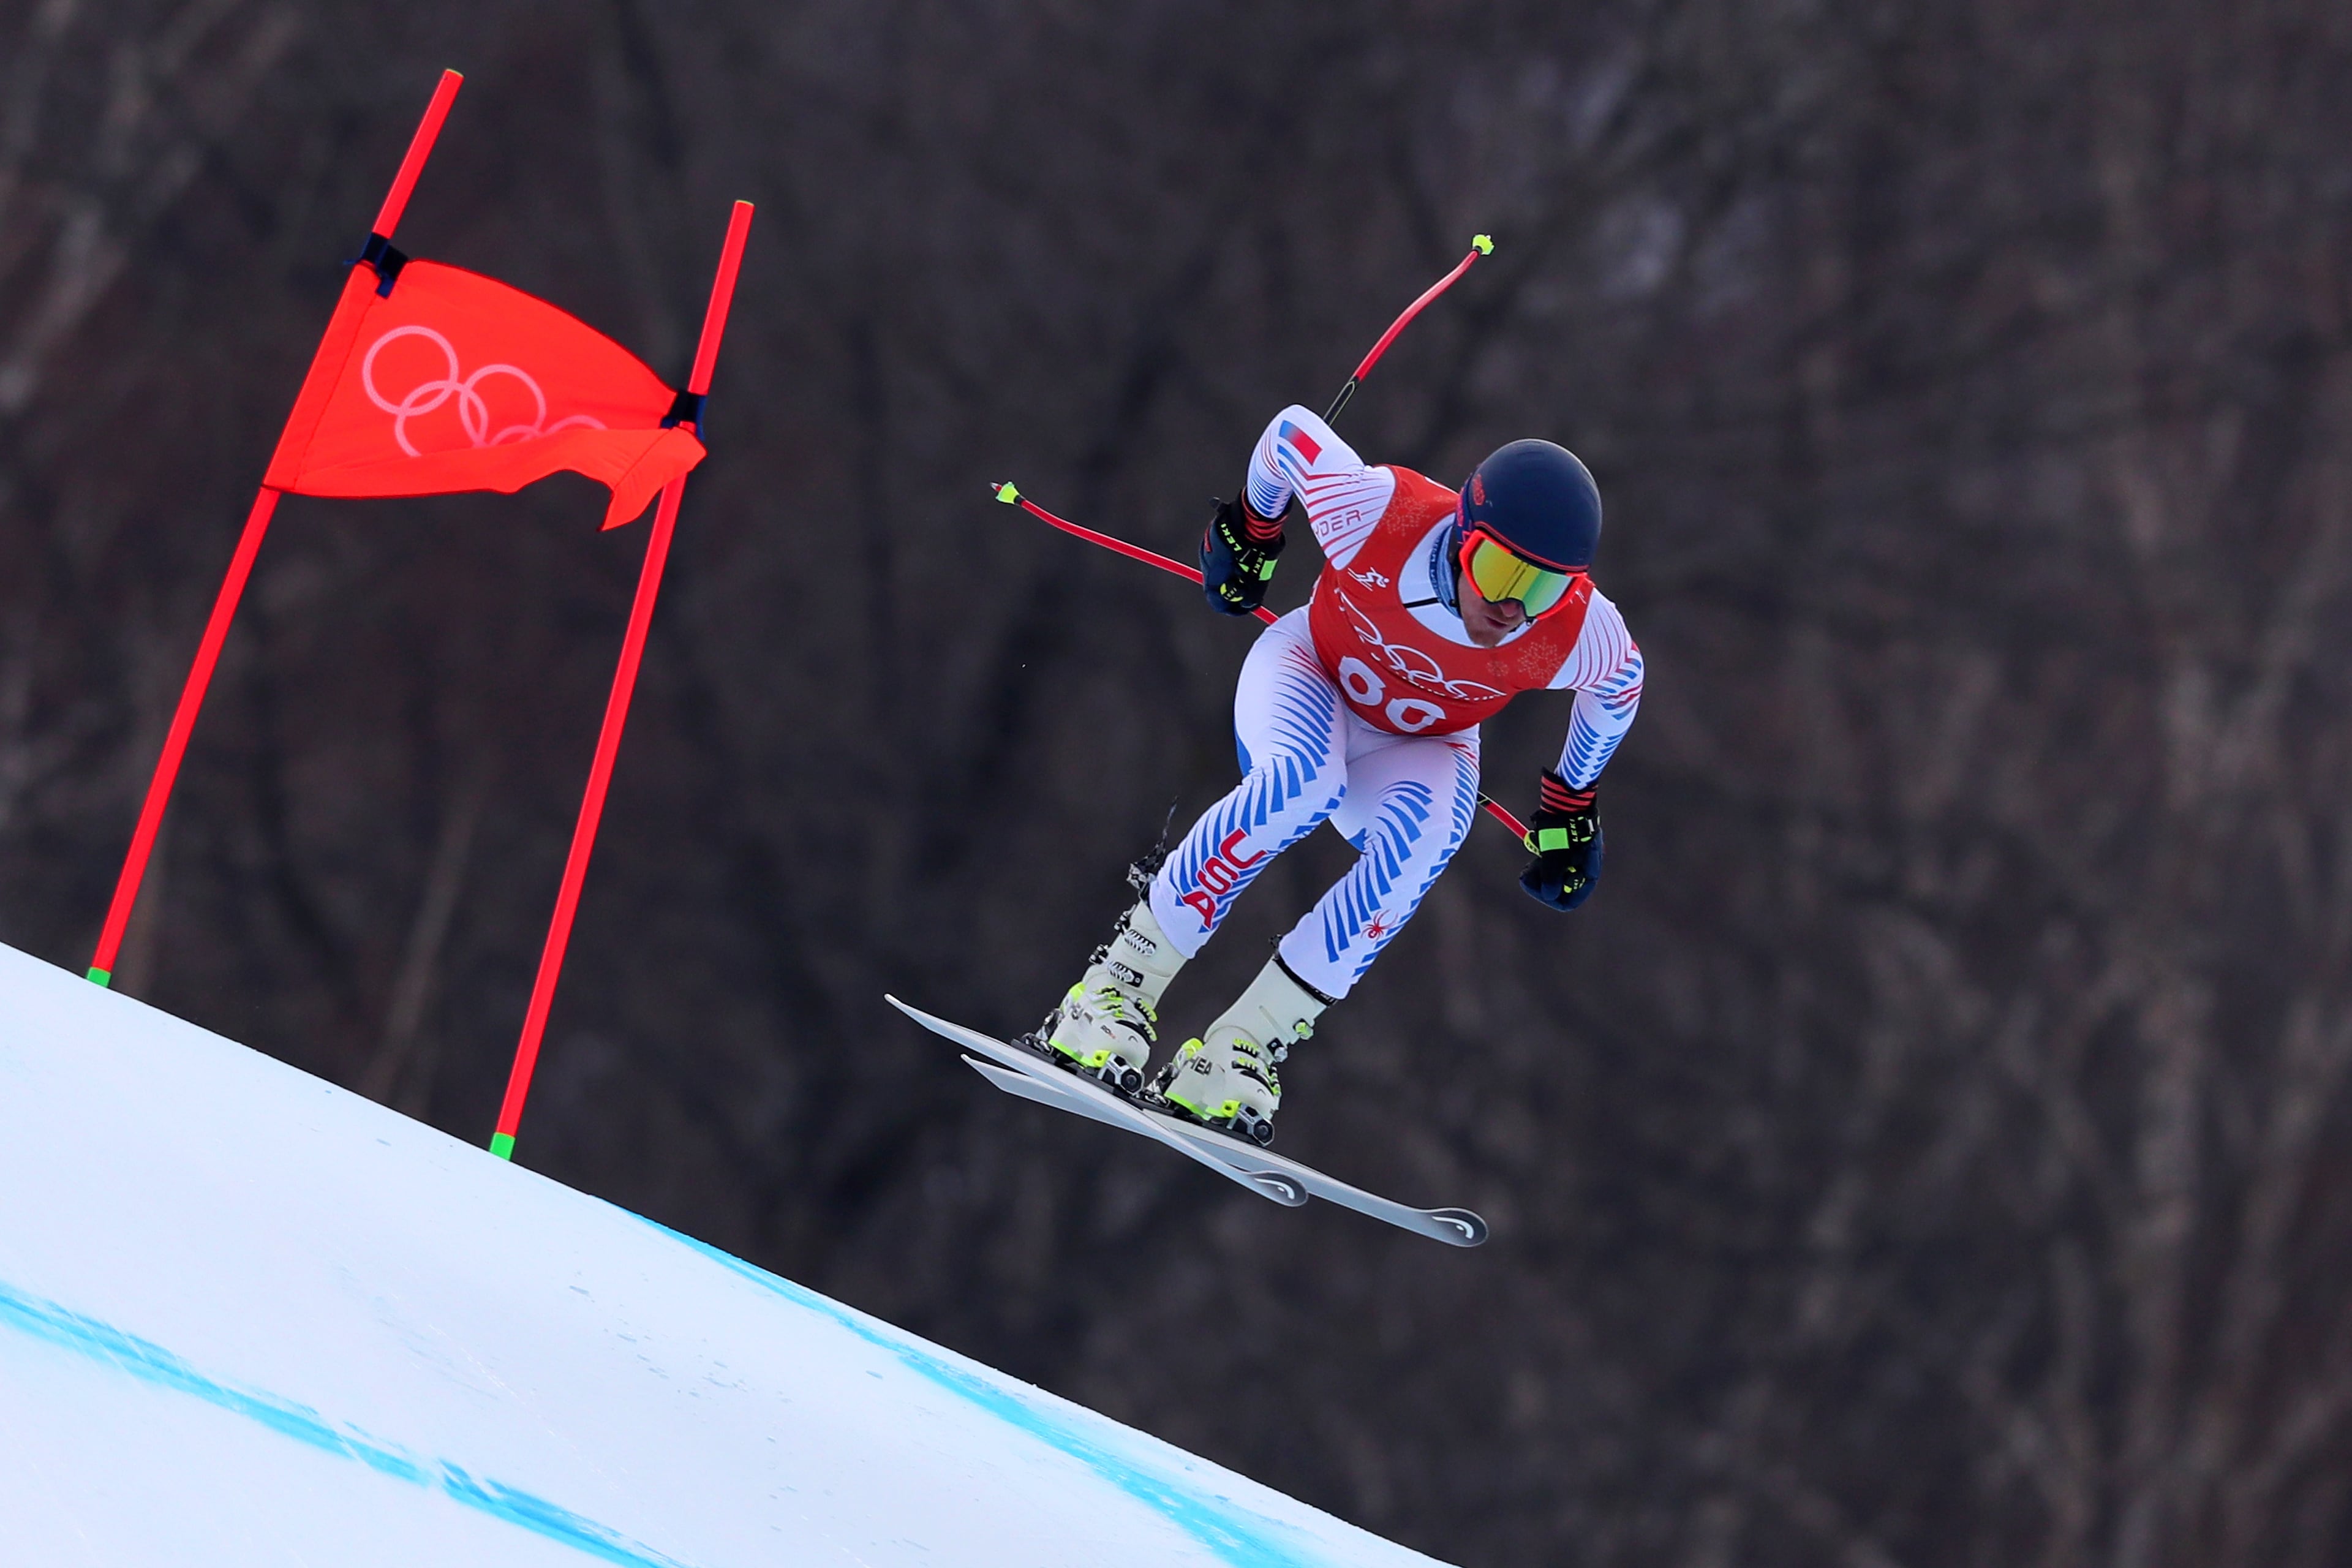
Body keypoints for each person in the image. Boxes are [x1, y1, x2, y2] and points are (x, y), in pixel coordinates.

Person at [1036, 405, 1643, 1145]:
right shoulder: (1382, 514)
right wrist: (1251, 531)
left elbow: (1620, 687)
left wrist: (1571, 803)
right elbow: (1289, 435)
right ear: (1461, 535)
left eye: (1543, 588)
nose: (1513, 606)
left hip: (1420, 744)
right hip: (1308, 676)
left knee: (1431, 838)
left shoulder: (1576, 627)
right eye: (1498, 568)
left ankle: (1241, 1047)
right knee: (1300, 783)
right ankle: (1114, 989)